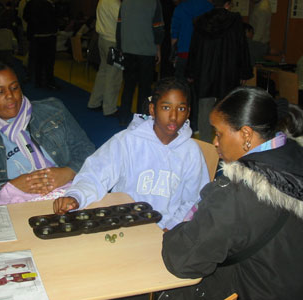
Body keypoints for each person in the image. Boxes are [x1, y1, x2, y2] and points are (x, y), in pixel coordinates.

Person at [161, 87, 303, 300]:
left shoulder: (237, 192)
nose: (215, 142)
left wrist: (174, 233)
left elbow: (183, 260)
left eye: (219, 133)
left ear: (246, 134)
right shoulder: (293, 158)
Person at [53, 77, 210, 230]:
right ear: (152, 109)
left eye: (181, 109)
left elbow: (194, 200)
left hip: (167, 230)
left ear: (188, 112)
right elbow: (95, 174)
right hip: (123, 223)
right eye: (166, 107)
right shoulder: (127, 141)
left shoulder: (191, 152)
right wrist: (76, 197)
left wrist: (172, 228)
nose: (174, 116)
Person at [0, 61, 95, 207]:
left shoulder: (53, 111)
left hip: (68, 196)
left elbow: (87, 150)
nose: (10, 96)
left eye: (14, 88)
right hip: (17, 210)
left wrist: (68, 172)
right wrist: (11, 187)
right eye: (0, 92)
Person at [186, 0, 252, 142]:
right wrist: (244, 72)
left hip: (204, 73)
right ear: (228, 4)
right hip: (228, 73)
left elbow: (194, 50)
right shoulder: (235, 22)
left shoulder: (201, 22)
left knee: (204, 108)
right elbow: (242, 47)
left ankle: (205, 145)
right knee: (227, 109)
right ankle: (225, 143)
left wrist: (191, 72)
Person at [116, 0, 165, 126]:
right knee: (145, 89)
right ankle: (141, 120)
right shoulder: (154, 3)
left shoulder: (125, 2)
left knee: (128, 86)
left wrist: (120, 47)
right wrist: (158, 48)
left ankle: (123, 117)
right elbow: (158, 29)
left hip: (128, 50)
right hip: (146, 51)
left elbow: (119, 27)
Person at [87, 0, 122, 117]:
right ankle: (109, 108)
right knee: (114, 75)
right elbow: (122, 24)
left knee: (103, 72)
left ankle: (94, 102)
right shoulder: (115, 4)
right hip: (113, 42)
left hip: (102, 39)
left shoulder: (102, 1)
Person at [23, 0, 59, 90]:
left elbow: (25, 17)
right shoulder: (49, 4)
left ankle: (38, 81)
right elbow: (54, 20)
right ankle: (49, 81)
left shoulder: (30, 4)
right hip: (48, 36)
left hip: (36, 36)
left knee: (38, 61)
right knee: (48, 62)